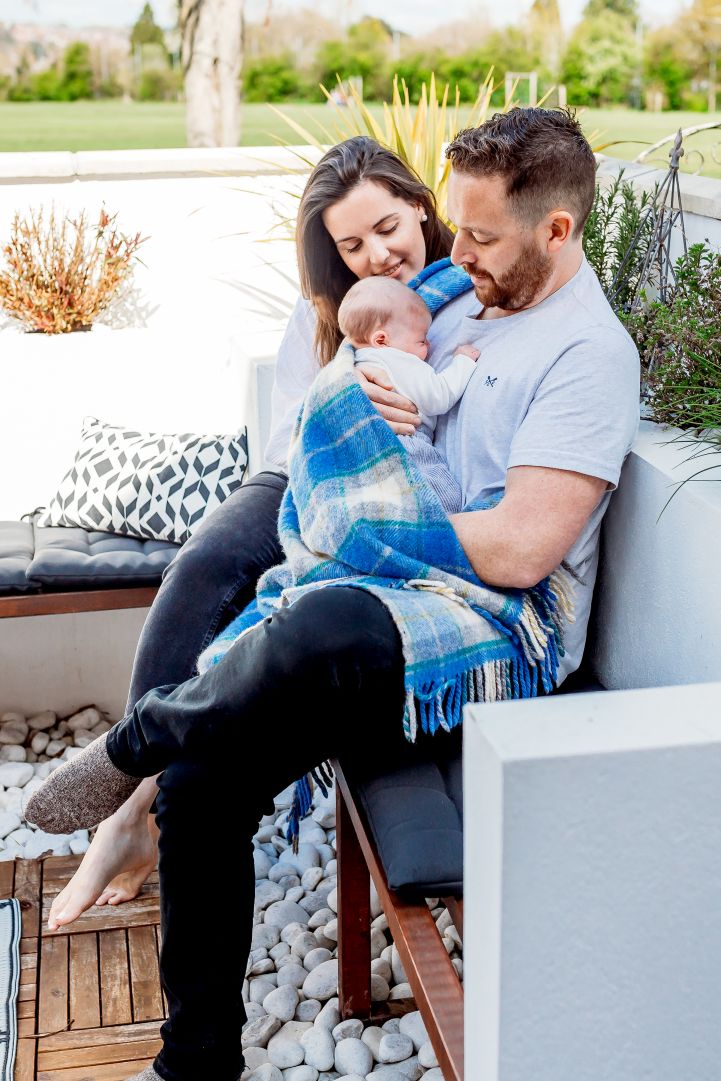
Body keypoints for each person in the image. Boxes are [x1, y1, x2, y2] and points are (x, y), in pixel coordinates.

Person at [27, 107, 640, 1081]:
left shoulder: (586, 354)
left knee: (325, 620)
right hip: (387, 595)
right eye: (456, 225)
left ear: (555, 231)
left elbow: (523, 551)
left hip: (495, 625)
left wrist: (368, 534)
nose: (454, 253)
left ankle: (136, 738)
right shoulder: (470, 292)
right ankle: (193, 1062)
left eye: (479, 236)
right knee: (202, 781)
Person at [42, 134, 467, 932]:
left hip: (388, 497)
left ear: (419, 205)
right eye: (351, 245)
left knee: (274, 622)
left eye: (386, 228)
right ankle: (129, 815)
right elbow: (288, 436)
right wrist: (343, 404)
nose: (375, 255)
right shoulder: (326, 311)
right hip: (301, 476)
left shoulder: (466, 296)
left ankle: (136, 804)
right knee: (204, 563)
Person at [339, 274, 479, 512]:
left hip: (361, 450)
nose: (429, 345)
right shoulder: (397, 359)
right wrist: (463, 362)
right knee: (444, 501)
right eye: (421, 340)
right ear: (382, 339)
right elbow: (439, 396)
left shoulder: (358, 360)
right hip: (407, 443)